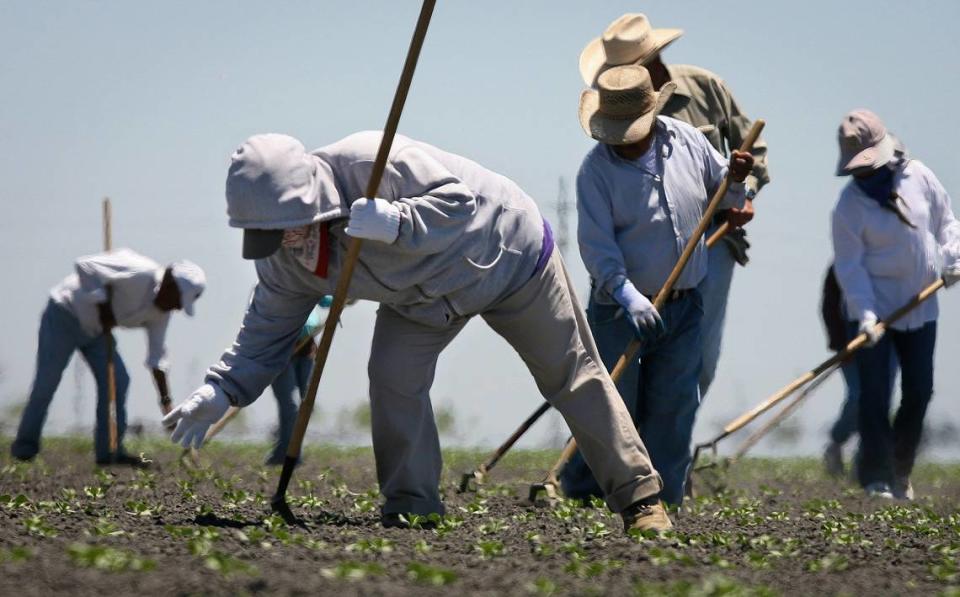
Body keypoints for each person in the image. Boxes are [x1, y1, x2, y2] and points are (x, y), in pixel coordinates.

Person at [162, 131, 673, 532]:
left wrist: (398, 221)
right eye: (268, 234)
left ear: (312, 199)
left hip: (509, 257)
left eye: (287, 227)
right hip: (423, 300)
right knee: (391, 376)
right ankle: (412, 506)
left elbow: (460, 204)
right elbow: (265, 333)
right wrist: (220, 389)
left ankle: (640, 499)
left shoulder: (372, 161)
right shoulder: (284, 261)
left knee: (571, 375)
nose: (284, 242)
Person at [560, 64, 754, 505]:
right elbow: (597, 247)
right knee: (614, 408)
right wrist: (629, 295)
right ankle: (592, 491)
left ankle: (664, 501)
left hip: (685, 303)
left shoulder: (686, 141)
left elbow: (722, 193)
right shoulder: (595, 173)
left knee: (675, 405)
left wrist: (737, 180)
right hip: (618, 308)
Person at [578, 13, 770, 398]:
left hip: (710, 241)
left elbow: (751, 152)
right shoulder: (614, 110)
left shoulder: (705, 88)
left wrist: (743, 193)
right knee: (617, 360)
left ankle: (668, 451)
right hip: (634, 254)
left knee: (698, 360)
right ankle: (627, 448)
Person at [831, 109, 960, 499]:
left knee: (920, 391)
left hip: (920, 309)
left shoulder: (918, 176)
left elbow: (946, 221)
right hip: (873, 314)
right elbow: (850, 269)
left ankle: (901, 469)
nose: (864, 175)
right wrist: (867, 316)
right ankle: (875, 477)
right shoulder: (848, 208)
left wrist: (953, 258)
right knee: (874, 396)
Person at [10, 249, 205, 466]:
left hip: (97, 332)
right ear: (169, 283)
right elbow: (84, 264)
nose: (178, 308)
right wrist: (103, 306)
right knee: (46, 383)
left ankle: (110, 452)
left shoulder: (161, 313)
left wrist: (167, 405)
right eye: (178, 300)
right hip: (65, 315)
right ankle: (25, 450)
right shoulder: (140, 271)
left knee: (118, 382)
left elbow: (156, 358)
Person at [265, 296, 331, 465]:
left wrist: (346, 297)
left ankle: (292, 451)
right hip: (281, 351)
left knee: (305, 404)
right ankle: (285, 454)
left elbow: (326, 300)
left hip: (306, 350)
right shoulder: (272, 286)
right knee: (290, 404)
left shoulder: (309, 283)